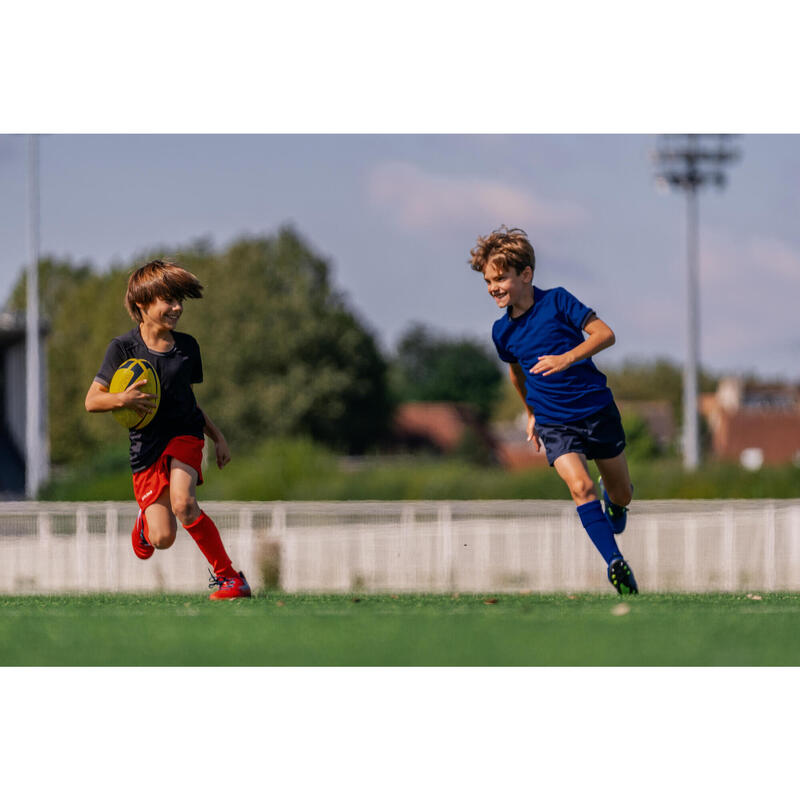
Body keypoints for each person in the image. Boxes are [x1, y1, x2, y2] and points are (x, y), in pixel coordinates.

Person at [469, 226, 638, 595]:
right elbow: (517, 375)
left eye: (500, 278)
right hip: (554, 422)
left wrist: (567, 358)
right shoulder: (502, 333)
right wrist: (531, 412)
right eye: (487, 281)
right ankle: (615, 563)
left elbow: (604, 334)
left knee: (621, 493)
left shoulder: (558, 301)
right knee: (580, 486)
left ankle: (617, 506)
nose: (493, 287)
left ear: (525, 274)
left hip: (596, 410)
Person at [84, 259, 251, 600]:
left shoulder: (188, 349)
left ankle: (230, 578)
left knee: (184, 502)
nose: (176, 308)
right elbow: (92, 401)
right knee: (163, 538)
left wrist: (217, 437)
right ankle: (145, 526)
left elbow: (188, 403)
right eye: (168, 301)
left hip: (184, 437)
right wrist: (122, 399)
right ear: (141, 304)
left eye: (179, 301)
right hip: (146, 448)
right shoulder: (123, 349)